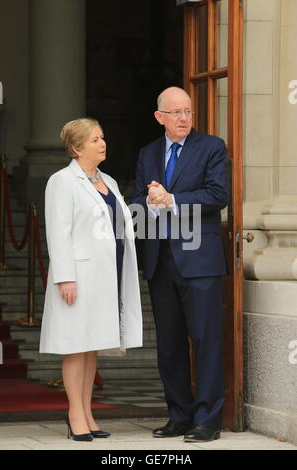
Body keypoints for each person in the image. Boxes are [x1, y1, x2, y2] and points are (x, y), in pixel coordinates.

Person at [132, 87, 228, 443]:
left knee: (205, 341)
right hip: (161, 260)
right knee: (169, 345)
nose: (184, 118)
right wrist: (150, 200)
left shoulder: (212, 147)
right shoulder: (148, 152)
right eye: (176, 112)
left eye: (188, 111)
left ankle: (208, 419)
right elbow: (137, 198)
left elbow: (219, 196)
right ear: (160, 118)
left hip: (200, 261)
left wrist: (172, 199)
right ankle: (179, 416)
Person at [39, 118, 142, 441]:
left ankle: (87, 413)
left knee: (92, 345)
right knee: (75, 345)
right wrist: (65, 277)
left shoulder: (107, 180)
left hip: (107, 274)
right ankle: (74, 415)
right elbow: (58, 231)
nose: (103, 143)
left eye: (102, 137)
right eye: (95, 139)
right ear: (76, 147)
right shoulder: (62, 181)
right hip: (78, 276)